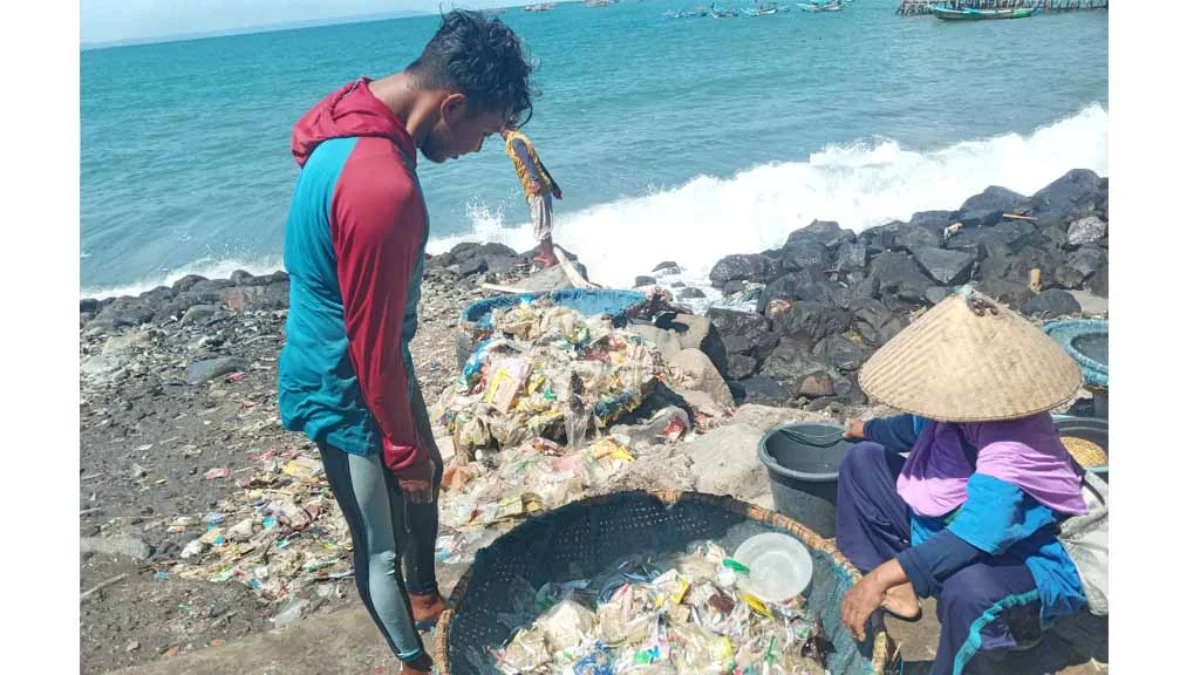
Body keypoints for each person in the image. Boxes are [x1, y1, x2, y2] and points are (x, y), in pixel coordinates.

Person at [276, 11, 534, 674]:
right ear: (450, 104)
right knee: (379, 543)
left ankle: (425, 598)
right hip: (343, 380)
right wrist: (398, 445)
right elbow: (371, 347)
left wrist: (413, 452)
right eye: (481, 130)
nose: (479, 149)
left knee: (428, 475)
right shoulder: (382, 187)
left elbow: (304, 141)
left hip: (369, 353)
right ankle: (415, 662)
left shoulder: (353, 111)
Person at [835, 286, 1096, 675]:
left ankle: (977, 654)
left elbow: (982, 532)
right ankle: (900, 590)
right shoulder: (956, 405)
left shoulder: (1013, 437)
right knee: (863, 462)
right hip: (952, 526)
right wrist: (864, 429)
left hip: (1023, 559)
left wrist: (879, 576)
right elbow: (911, 428)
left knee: (970, 592)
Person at [502, 126, 562, 267]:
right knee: (540, 221)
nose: (501, 134)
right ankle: (545, 253)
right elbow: (539, 163)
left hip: (536, 188)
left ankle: (549, 257)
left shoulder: (515, 141)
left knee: (541, 223)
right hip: (542, 186)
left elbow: (528, 160)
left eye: (502, 131)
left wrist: (534, 180)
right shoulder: (520, 138)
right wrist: (554, 186)